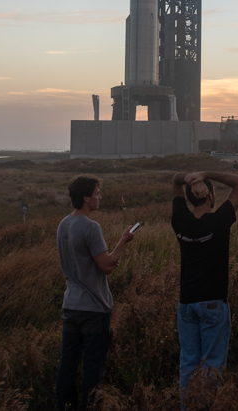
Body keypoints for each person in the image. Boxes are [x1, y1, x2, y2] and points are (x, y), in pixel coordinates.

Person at [56, 176, 136, 411]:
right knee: (93, 368)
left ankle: (64, 407)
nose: (100, 196)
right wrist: (123, 240)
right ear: (86, 198)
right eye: (97, 193)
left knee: (67, 364)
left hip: (70, 306)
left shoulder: (63, 224)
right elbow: (107, 266)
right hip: (93, 308)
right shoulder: (91, 227)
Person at [170, 168, 238, 401]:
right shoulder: (219, 221)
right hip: (213, 303)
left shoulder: (180, 221)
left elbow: (175, 182)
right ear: (211, 196)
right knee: (212, 366)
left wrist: (188, 179)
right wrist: (204, 174)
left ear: (190, 198)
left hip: (187, 305)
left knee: (188, 364)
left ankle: (188, 406)